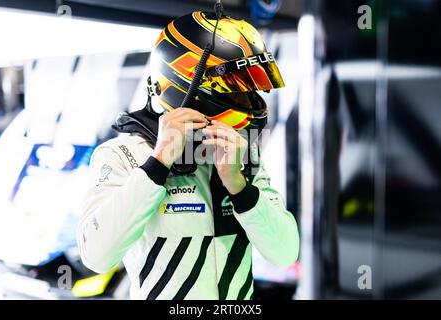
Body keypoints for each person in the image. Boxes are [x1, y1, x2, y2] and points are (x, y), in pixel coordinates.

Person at [77, 10, 299, 300]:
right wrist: (157, 166)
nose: (249, 99)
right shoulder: (123, 154)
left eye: (249, 89)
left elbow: (284, 253)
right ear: (186, 82)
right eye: (235, 88)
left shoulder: (242, 154)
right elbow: (96, 256)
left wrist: (238, 186)